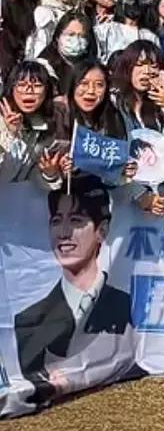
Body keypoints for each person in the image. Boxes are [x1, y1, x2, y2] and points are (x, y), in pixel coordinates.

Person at [12, 173, 141, 405]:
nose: (64, 233)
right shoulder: (27, 320)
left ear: (102, 230)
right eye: (56, 221)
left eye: (76, 220)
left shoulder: (129, 306)